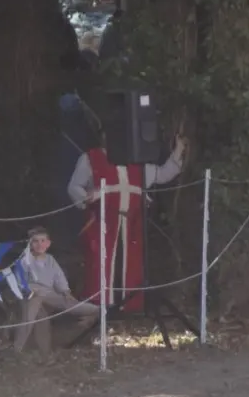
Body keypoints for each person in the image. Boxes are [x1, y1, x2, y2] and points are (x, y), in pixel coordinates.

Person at [68, 129, 184, 311]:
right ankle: (97, 308)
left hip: (131, 226)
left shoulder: (137, 162)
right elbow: (74, 186)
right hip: (102, 224)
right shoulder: (91, 159)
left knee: (131, 266)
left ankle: (128, 306)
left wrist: (178, 150)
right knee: (100, 265)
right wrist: (85, 198)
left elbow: (163, 174)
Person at [14, 227, 98, 352]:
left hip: (50, 294)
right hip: (31, 294)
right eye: (35, 241)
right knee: (37, 313)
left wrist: (65, 291)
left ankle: (78, 329)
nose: (39, 244)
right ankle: (21, 347)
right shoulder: (24, 260)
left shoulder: (50, 259)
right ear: (30, 244)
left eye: (43, 241)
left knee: (93, 310)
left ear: (48, 243)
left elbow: (59, 278)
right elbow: (20, 282)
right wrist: (30, 291)